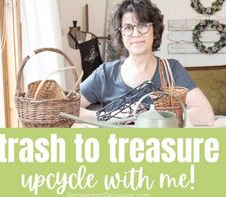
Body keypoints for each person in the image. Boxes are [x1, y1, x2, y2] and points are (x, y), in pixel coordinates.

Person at [79, 0, 214, 126]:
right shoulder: (105, 73)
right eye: (127, 27)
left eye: (142, 25)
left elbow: (206, 114)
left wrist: (149, 115)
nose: (136, 33)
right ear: (120, 34)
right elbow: (69, 110)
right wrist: (108, 116)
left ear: (155, 31)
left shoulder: (171, 69)